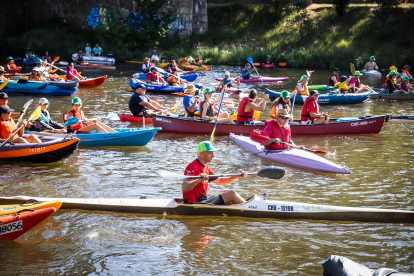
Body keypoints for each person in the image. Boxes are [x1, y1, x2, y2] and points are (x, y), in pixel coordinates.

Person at [182, 141, 247, 205]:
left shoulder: (206, 168)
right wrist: (198, 180)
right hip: (194, 204)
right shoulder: (192, 167)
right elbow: (184, 187)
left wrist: (236, 176)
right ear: (201, 153)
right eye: (210, 153)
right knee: (232, 194)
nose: (213, 156)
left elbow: (221, 181)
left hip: (203, 201)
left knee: (230, 201)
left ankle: (247, 206)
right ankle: (252, 210)